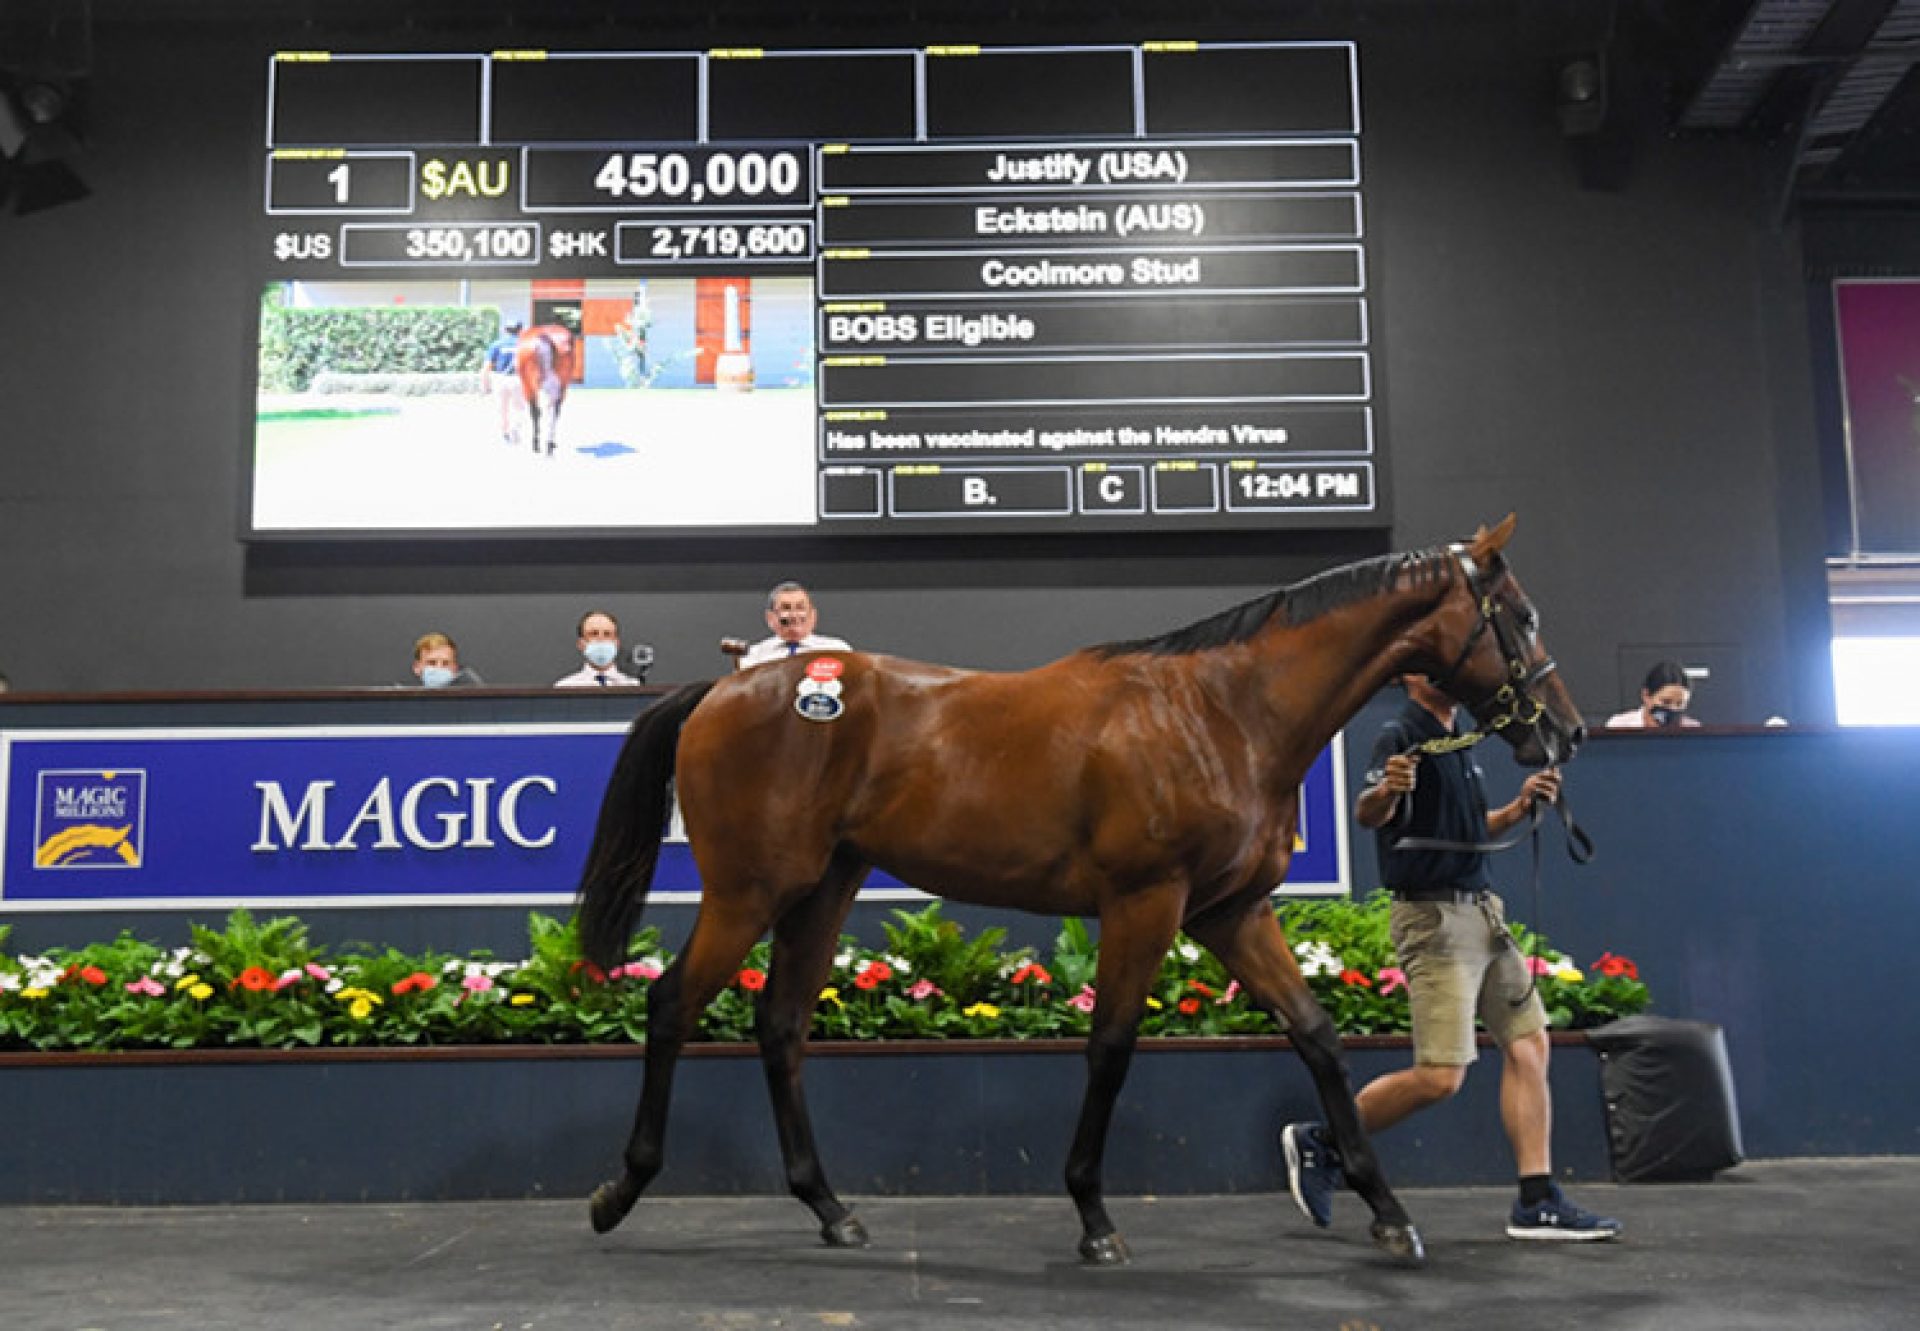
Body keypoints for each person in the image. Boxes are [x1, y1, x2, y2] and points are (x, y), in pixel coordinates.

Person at [1282, 674, 1621, 1242]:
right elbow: (1370, 812)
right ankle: (1325, 1139)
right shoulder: (1397, 735)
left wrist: (1517, 808)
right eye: (1436, 669)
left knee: (1531, 1045)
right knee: (1441, 1077)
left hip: (1483, 913)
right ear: (1413, 679)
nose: (1453, 678)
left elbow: (1466, 829)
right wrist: (1389, 790)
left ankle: (1536, 1200)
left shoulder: (1459, 741)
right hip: (1434, 920)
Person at [732, 581, 850, 668]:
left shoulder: (837, 650)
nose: (794, 615)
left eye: (800, 608)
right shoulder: (754, 656)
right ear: (770, 617)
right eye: (786, 608)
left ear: (813, 615)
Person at [554, 610, 640, 688]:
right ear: (581, 644)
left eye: (607, 634)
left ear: (617, 643)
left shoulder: (633, 686)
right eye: (593, 634)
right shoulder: (565, 687)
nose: (601, 639)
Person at [1606, 660, 1702, 729]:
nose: (1672, 709)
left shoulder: (1692, 730)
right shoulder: (1619, 726)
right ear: (1646, 695)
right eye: (1666, 702)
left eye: (1679, 704)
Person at [480, 320, 524, 445]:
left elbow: (486, 367)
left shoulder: (497, 344)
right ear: (520, 330)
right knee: (519, 408)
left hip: (500, 379)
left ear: (505, 330)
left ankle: (505, 434)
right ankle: (515, 428)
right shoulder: (525, 344)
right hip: (518, 379)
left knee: (502, 409)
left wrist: (484, 385)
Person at [410, 632, 481, 688]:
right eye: (431, 663)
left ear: (455, 669)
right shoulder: (403, 702)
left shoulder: (474, 702)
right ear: (417, 667)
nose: (439, 668)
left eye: (446, 663)